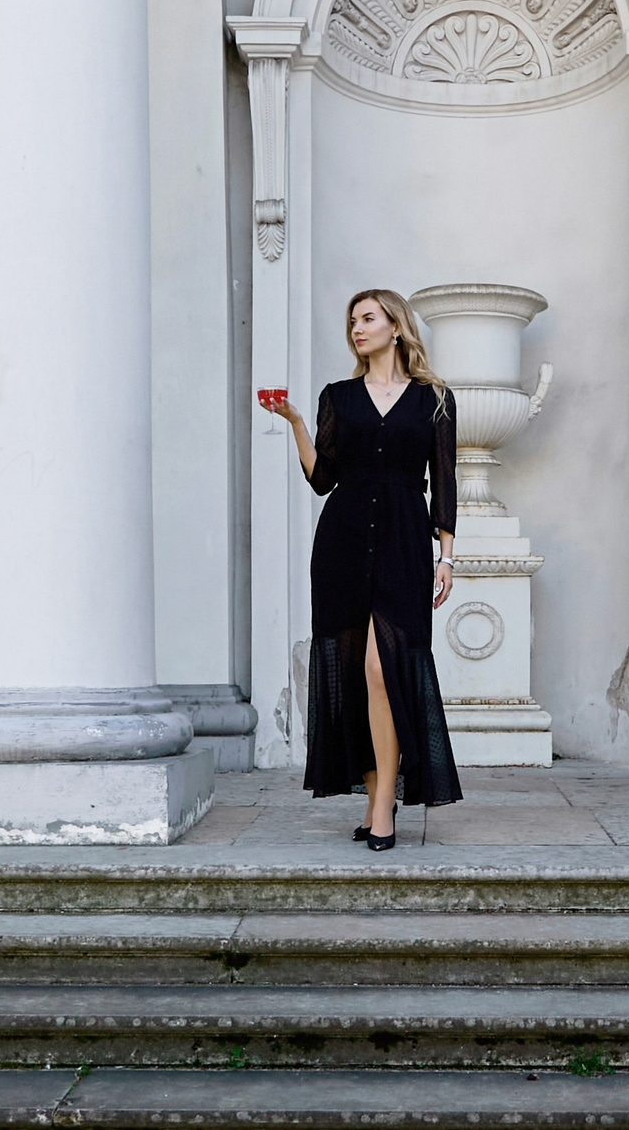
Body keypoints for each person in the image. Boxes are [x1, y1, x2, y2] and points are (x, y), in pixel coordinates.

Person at [260, 289, 465, 846]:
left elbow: (444, 483)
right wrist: (297, 420)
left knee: (385, 669)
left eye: (368, 319)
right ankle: (379, 800)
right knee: (355, 673)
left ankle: (383, 805)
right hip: (342, 543)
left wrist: (445, 556)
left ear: (396, 326)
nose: (357, 328)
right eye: (352, 320)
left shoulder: (434, 400)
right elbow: (322, 476)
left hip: (403, 541)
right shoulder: (338, 397)